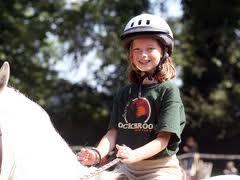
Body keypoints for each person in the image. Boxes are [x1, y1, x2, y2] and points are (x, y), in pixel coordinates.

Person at [77, 13, 186, 179]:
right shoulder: (124, 93)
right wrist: (97, 153)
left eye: (150, 49)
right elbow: (112, 133)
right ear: (131, 54)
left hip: (160, 170)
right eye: (137, 50)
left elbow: (163, 140)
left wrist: (134, 155)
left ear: (164, 51)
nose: (143, 55)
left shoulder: (168, 90)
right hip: (127, 169)